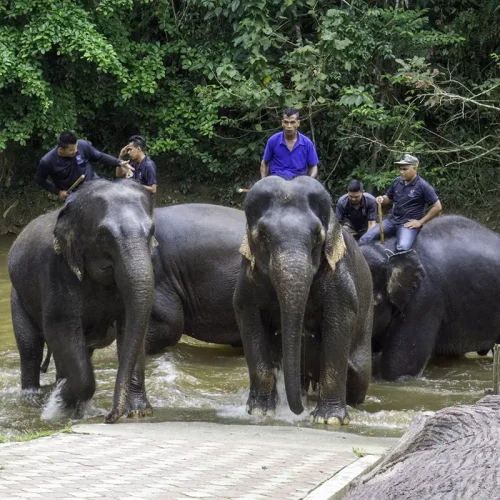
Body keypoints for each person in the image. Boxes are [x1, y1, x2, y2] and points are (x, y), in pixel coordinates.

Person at [359, 154, 442, 252]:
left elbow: (437, 207)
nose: (402, 172)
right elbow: (389, 198)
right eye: (401, 169)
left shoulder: (423, 186)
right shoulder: (397, 181)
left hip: (408, 224)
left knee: (402, 248)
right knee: (364, 240)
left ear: (414, 169)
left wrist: (420, 222)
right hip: (392, 221)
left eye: (405, 169)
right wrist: (381, 199)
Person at [36, 130, 131, 201]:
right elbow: (40, 180)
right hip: (74, 194)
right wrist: (58, 192)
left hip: (94, 182)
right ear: (61, 149)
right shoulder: (47, 161)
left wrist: (118, 162)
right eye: (71, 150)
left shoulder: (82, 145)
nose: (76, 151)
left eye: (76, 147)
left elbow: (99, 156)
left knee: (115, 196)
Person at [260, 107, 319, 180]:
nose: (289, 126)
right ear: (282, 123)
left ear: (298, 123)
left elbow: (313, 166)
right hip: (277, 181)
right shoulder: (273, 140)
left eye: (292, 122)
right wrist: (263, 182)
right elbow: (264, 163)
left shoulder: (307, 143)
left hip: (299, 181)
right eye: (286, 122)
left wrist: (310, 180)